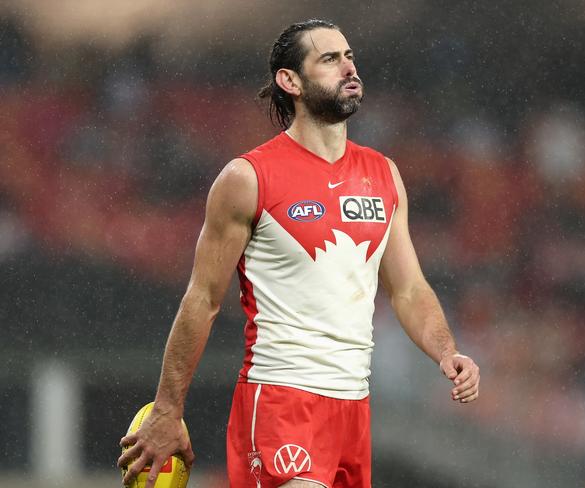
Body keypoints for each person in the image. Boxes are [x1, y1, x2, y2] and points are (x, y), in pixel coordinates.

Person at [118, 19, 480, 488]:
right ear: (290, 81)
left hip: (353, 406)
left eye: (349, 56)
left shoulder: (384, 175)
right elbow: (202, 299)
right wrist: (167, 409)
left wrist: (446, 351)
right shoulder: (247, 178)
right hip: (281, 401)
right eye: (329, 59)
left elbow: (408, 288)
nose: (348, 67)